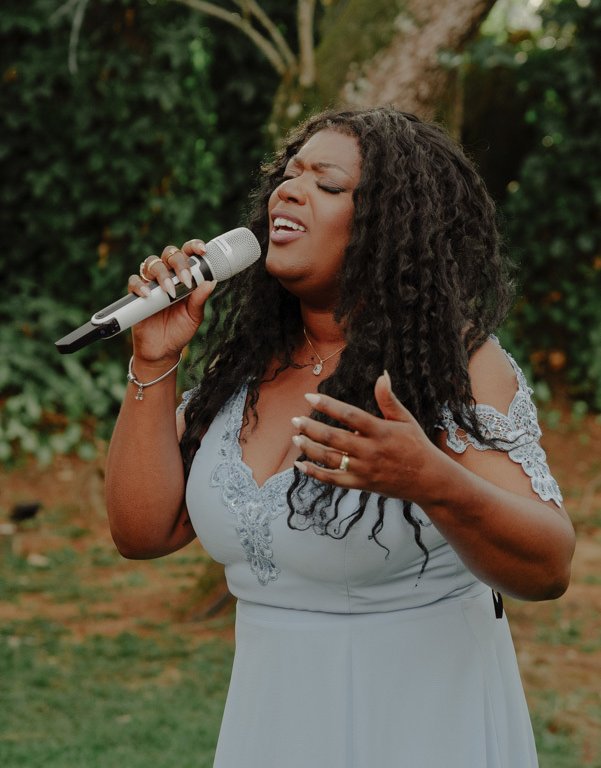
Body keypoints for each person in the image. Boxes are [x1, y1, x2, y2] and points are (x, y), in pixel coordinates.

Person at [106, 107, 575, 768]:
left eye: (326, 185)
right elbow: (141, 532)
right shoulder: (245, 366)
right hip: (273, 725)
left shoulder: (455, 365)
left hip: (419, 727)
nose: (288, 192)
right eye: (287, 176)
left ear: (390, 229)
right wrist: (154, 364)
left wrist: (430, 480)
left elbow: (548, 566)